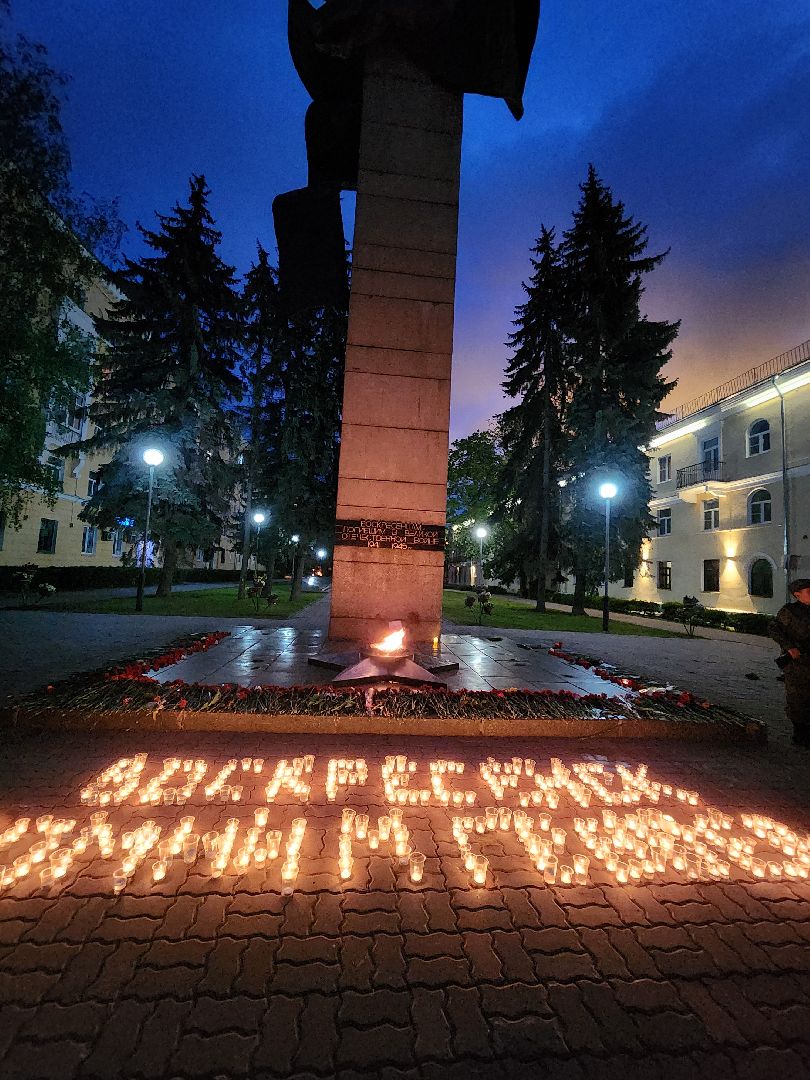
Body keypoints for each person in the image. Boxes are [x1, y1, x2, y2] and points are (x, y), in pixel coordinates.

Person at [770, 579, 810, 744]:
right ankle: (800, 734)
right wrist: (790, 647)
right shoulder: (790, 612)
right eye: (809, 592)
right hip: (797, 664)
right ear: (797, 595)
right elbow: (774, 629)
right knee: (797, 698)